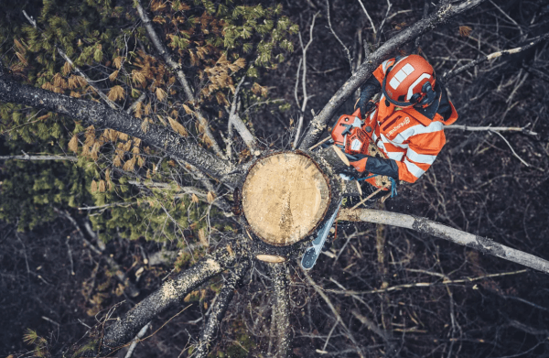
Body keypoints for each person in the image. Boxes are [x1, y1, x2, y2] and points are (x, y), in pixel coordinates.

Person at [350, 54, 458, 186]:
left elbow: (411, 171)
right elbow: (383, 69)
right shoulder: (401, 68)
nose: (394, 105)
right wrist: (366, 94)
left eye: (399, 103)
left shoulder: (430, 129)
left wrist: (370, 164)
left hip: (379, 172)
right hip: (361, 133)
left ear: (421, 99)